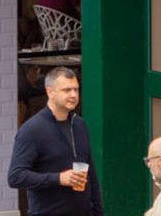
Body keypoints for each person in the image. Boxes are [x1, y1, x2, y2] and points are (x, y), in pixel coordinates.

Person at [8, 67, 101, 216]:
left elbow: (92, 177)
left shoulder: (80, 125)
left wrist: (98, 212)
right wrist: (59, 178)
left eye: (76, 90)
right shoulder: (32, 130)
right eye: (66, 90)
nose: (73, 95)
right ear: (50, 92)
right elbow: (15, 176)